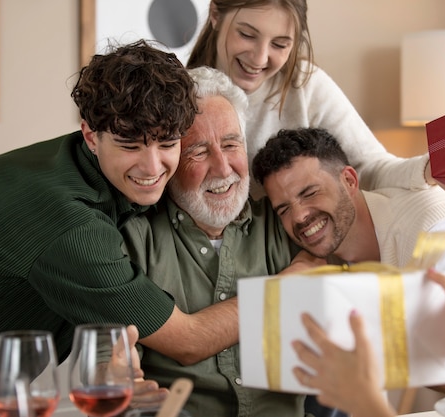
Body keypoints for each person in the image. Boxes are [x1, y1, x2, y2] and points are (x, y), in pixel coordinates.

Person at [0, 40, 237, 417]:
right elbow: (188, 340)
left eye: (167, 143)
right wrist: (290, 284)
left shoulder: (83, 168)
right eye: (129, 145)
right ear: (90, 136)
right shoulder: (72, 226)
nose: (152, 167)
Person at [282, 112, 445, 417]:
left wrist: (370, 383)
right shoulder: (341, 251)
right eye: (283, 208)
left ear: (350, 180)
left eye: (310, 193)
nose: (298, 216)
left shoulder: (444, 242)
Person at [121, 66, 325, 417]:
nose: (222, 167)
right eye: (198, 152)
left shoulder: (284, 223)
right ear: (168, 161)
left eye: (231, 144)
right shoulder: (133, 240)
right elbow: (110, 371)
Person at [187, 0, 445, 201]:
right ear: (215, 14)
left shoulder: (305, 84)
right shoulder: (180, 92)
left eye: (280, 44)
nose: (260, 58)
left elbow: (370, 166)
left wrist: (431, 171)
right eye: (247, 35)